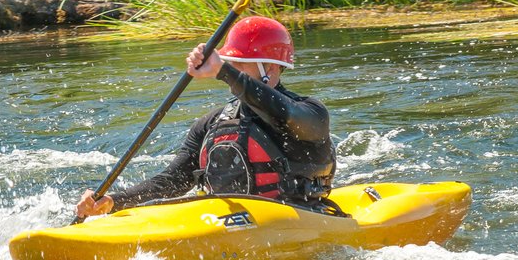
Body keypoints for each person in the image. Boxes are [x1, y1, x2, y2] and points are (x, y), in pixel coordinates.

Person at [76, 15, 337, 219]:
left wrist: (223, 71)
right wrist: (114, 200)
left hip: (296, 216)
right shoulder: (213, 123)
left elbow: (283, 113)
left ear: (269, 67)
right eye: (229, 64)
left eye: (239, 64)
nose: (231, 71)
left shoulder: (310, 114)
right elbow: (174, 180)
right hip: (228, 222)